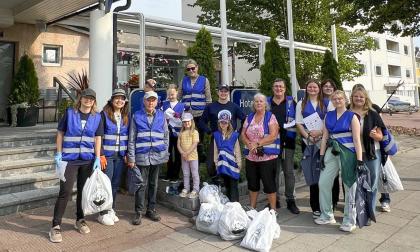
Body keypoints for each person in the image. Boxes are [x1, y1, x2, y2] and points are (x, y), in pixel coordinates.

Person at [49, 88, 103, 243]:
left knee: (83, 191)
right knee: (65, 191)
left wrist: (97, 158)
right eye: (86, 98)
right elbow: (60, 133)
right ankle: (55, 226)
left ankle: (80, 219)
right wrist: (59, 154)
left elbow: (97, 138)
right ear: (80, 99)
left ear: (94, 101)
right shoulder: (70, 113)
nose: (88, 100)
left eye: (91, 99)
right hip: (69, 160)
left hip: (87, 160)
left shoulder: (97, 117)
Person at [316, 90, 364, 233]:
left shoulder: (352, 116)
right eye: (335, 99)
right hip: (331, 152)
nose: (337, 101)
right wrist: (321, 155)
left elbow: (356, 139)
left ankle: (350, 220)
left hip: (348, 153)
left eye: (340, 98)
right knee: (323, 182)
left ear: (345, 100)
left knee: (349, 185)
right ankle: (327, 215)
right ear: (332, 100)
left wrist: (359, 160)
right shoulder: (328, 116)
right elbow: (325, 136)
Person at [128, 91, 169, 225]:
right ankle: (138, 212)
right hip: (142, 156)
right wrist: (131, 158)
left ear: (157, 102)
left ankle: (151, 209)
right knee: (141, 184)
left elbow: (166, 136)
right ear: (144, 101)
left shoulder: (161, 115)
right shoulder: (137, 116)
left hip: (157, 156)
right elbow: (132, 138)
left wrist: (165, 152)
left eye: (153, 100)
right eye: (148, 100)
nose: (151, 103)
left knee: (154, 184)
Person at [350, 84, 391, 213]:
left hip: (372, 152)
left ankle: (370, 212)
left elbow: (381, 136)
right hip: (353, 152)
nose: (359, 99)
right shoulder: (347, 112)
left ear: (365, 98)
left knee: (372, 183)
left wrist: (375, 135)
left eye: (361, 96)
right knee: (357, 183)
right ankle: (359, 212)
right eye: (356, 96)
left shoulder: (373, 113)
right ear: (352, 98)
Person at [296, 79, 334, 218]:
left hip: (324, 142)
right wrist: (308, 136)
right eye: (310, 87)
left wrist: (320, 134)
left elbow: (332, 121)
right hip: (309, 143)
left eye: (315, 87)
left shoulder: (327, 103)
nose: (312, 89)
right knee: (313, 175)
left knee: (326, 174)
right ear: (306, 89)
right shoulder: (301, 103)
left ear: (319, 89)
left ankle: (328, 204)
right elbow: (299, 123)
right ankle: (315, 207)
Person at [199, 84, 246, 182]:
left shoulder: (234, 107)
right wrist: (209, 131)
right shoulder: (211, 107)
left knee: (231, 161)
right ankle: (217, 181)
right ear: (218, 92)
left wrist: (239, 132)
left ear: (228, 93)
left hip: (230, 139)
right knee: (211, 163)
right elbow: (201, 121)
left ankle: (230, 181)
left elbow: (245, 119)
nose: (223, 93)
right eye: (221, 91)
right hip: (216, 138)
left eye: (225, 91)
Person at [241, 93, 280, 210]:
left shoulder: (270, 117)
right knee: (252, 184)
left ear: (265, 104)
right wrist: (248, 144)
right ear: (253, 104)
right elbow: (243, 133)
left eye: (261, 101)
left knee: (269, 184)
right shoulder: (249, 117)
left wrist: (257, 144)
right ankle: (252, 208)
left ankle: (273, 210)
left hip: (267, 158)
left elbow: (273, 135)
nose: (258, 103)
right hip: (251, 158)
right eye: (256, 101)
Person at [97, 89, 129, 226]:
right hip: (108, 157)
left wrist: (127, 154)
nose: (120, 100)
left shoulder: (126, 116)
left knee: (115, 185)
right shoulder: (103, 115)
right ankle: (102, 213)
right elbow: (98, 136)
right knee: (106, 184)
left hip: (120, 156)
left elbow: (127, 138)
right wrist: (101, 154)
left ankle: (111, 209)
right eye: (117, 98)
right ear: (111, 100)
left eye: (122, 98)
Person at [269, 78, 299, 214]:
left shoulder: (291, 102)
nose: (278, 89)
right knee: (273, 173)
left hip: (288, 142)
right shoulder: (267, 102)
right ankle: (274, 201)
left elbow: (299, 120)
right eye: (276, 86)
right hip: (271, 143)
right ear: (272, 88)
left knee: (288, 172)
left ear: (285, 89)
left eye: (281, 86)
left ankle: (290, 200)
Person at [178, 59, 212, 161]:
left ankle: (198, 159)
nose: (191, 70)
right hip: (187, 116)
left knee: (199, 138)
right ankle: (188, 157)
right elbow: (178, 96)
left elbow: (208, 99)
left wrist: (207, 115)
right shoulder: (183, 80)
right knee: (188, 138)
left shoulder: (204, 80)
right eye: (188, 69)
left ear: (197, 68)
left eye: (193, 68)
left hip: (200, 114)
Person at [213, 110, 242, 202]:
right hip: (222, 166)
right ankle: (228, 207)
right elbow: (215, 150)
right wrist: (216, 163)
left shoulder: (234, 135)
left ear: (229, 123)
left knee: (233, 186)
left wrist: (239, 163)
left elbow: (237, 150)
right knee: (227, 186)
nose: (223, 124)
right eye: (221, 122)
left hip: (232, 165)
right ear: (219, 123)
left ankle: (235, 206)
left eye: (225, 122)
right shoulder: (216, 135)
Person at [321, 79, 341, 210]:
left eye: (330, 86)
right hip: (326, 144)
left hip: (341, 147)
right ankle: (330, 205)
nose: (328, 88)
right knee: (328, 177)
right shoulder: (320, 102)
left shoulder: (341, 107)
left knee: (343, 178)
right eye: (325, 86)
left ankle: (338, 202)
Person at [162, 84, 185, 182]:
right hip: (167, 133)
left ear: (177, 93)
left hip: (178, 133)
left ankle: (175, 175)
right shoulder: (164, 104)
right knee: (168, 154)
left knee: (178, 154)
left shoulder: (182, 105)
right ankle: (169, 174)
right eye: (169, 94)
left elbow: (184, 119)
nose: (171, 96)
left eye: (173, 94)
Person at [177, 112, 200, 198]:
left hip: (193, 157)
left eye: (188, 121)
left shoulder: (195, 132)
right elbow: (178, 145)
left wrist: (187, 153)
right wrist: (182, 153)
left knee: (194, 173)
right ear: (182, 123)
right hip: (184, 157)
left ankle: (195, 189)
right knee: (186, 173)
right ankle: (186, 188)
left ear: (192, 122)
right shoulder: (181, 133)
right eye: (185, 122)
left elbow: (194, 144)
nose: (186, 123)